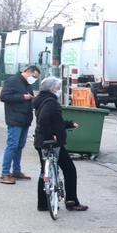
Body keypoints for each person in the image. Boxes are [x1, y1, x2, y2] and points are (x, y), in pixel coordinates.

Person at [32, 77, 87, 212]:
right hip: (51, 142)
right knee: (69, 169)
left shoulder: (41, 100)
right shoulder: (51, 102)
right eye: (57, 88)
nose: (59, 91)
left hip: (40, 141)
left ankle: (43, 204)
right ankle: (71, 201)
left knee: (44, 170)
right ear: (52, 89)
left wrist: (68, 124)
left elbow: (53, 120)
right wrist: (52, 135)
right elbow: (45, 119)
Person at [0, 65, 40, 184]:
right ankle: (5, 173)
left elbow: (29, 98)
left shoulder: (26, 83)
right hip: (15, 118)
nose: (34, 80)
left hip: (25, 119)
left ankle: (16, 171)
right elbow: (4, 96)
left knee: (20, 145)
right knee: (12, 145)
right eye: (34, 77)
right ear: (28, 72)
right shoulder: (13, 81)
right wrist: (22, 97)